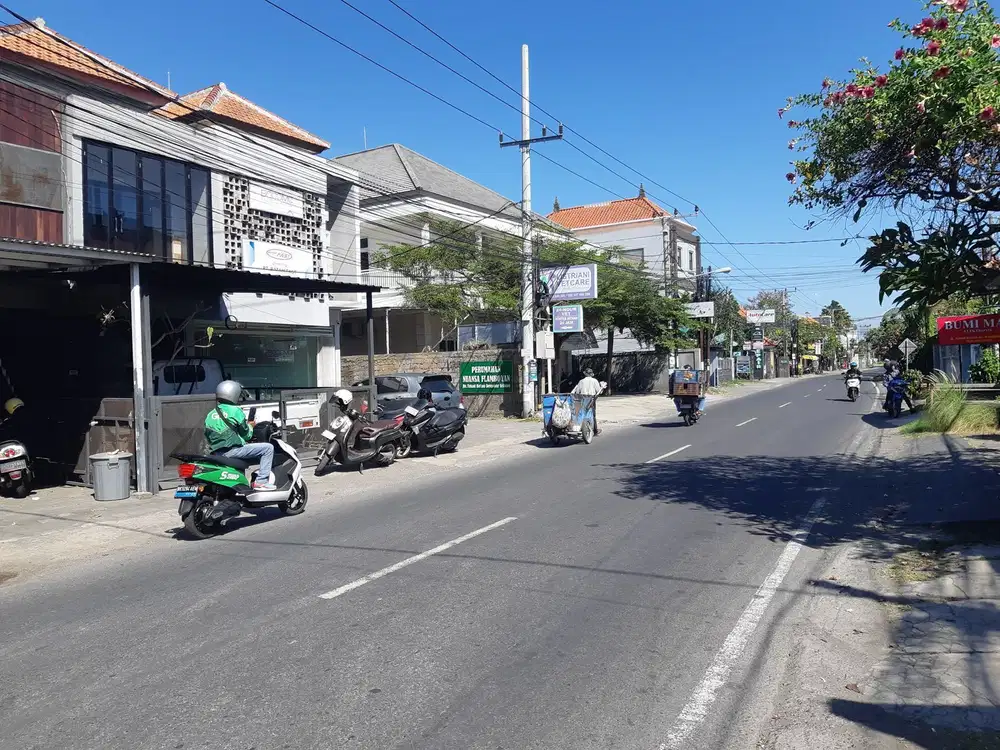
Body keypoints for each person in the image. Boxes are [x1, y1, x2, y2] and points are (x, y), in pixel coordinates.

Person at [204, 380, 275, 491]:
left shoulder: (211, 413)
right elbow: (247, 435)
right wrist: (251, 426)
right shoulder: (235, 410)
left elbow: (208, 436)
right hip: (233, 451)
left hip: (217, 453)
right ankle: (261, 482)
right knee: (268, 448)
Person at [571, 367, 603, 434]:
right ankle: (595, 430)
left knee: (581, 413)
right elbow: (598, 391)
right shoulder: (594, 381)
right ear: (591, 374)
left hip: (582, 400)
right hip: (591, 400)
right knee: (592, 415)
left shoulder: (581, 381)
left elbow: (577, 392)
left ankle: (580, 426)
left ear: (585, 374)